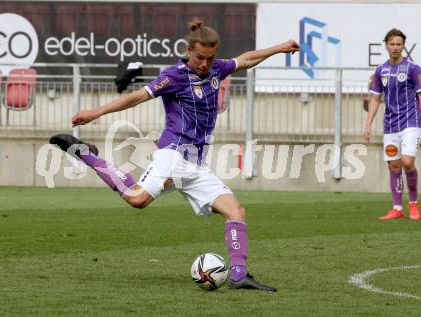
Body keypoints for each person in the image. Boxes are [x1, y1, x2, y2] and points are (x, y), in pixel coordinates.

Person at [50, 19, 300, 291]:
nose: (205, 63)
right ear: (189, 50)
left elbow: (246, 59)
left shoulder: (217, 68)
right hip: (173, 156)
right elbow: (136, 97)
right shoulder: (175, 76)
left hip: (197, 166)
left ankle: (239, 275)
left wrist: (280, 48)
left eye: (210, 58)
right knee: (137, 199)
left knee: (236, 210)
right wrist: (95, 112)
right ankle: (88, 155)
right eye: (200, 57)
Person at [365, 28, 421, 220]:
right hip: (390, 125)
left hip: (410, 122)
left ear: (403, 45)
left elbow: (420, 96)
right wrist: (368, 124)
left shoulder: (413, 69)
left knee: (407, 162)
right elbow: (374, 99)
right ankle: (397, 208)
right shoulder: (381, 70)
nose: (395, 47)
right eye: (392, 44)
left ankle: (413, 204)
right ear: (386, 45)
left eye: (399, 44)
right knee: (394, 166)